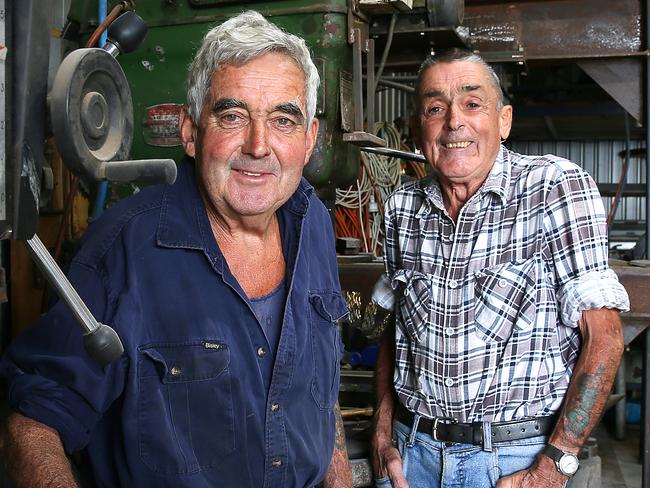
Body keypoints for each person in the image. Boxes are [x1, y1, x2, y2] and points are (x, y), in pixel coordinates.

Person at [1, 11, 352, 488]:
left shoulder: (312, 223)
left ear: (309, 141)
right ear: (190, 131)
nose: (258, 144)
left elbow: (322, 387)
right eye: (232, 115)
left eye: (283, 120)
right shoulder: (122, 248)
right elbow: (34, 423)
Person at [370, 48, 629, 488]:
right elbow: (396, 333)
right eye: (436, 108)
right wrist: (381, 431)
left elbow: (604, 338)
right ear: (417, 130)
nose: (454, 122)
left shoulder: (554, 188)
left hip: (513, 460)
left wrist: (556, 464)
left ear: (504, 121)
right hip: (412, 454)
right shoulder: (402, 209)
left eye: (473, 104)